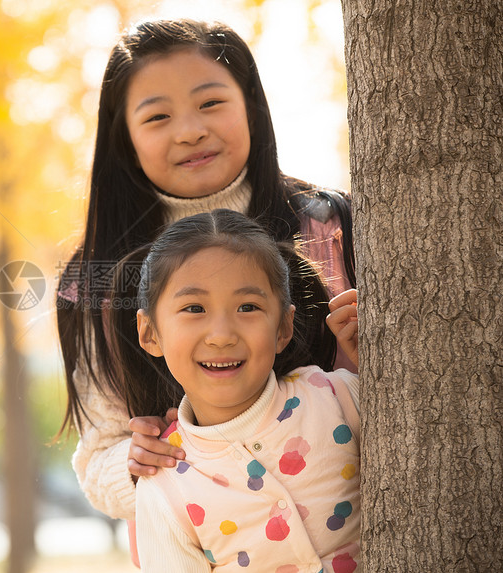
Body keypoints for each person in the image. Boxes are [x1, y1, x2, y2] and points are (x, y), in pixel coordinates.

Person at [55, 18, 356, 525]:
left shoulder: (329, 225)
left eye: (211, 103)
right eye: (156, 117)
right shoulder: (95, 281)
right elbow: (99, 455)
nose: (190, 130)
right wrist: (135, 466)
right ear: (124, 139)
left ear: (252, 111)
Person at [110, 209, 360, 571]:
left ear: (283, 328)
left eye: (248, 307)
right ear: (150, 333)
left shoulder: (337, 399)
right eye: (194, 308)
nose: (222, 335)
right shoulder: (165, 487)